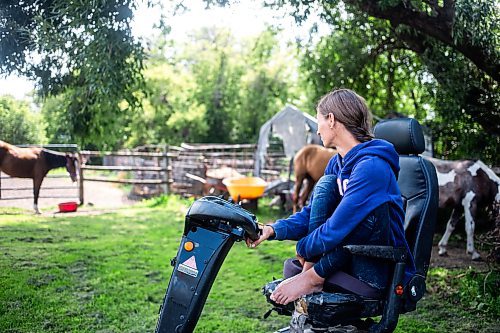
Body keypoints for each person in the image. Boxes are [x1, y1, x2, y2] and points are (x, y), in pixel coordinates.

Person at [247, 88, 415, 305]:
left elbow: (338, 227)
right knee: (325, 185)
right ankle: (311, 272)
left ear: (332, 120)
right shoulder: (337, 163)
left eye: (319, 122)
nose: (318, 131)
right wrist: (272, 230)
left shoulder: (373, 167)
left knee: (358, 217)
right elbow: (312, 212)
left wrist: (303, 248)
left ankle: (313, 276)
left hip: (374, 266)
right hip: (345, 258)